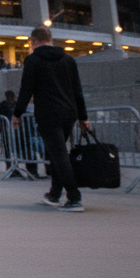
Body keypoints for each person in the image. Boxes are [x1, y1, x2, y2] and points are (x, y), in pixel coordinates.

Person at [12, 25, 91, 213]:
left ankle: (74, 197)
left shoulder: (32, 60)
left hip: (48, 113)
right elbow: (77, 91)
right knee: (57, 154)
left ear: (33, 41)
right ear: (50, 38)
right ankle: (54, 194)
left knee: (59, 155)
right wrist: (83, 117)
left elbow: (26, 89)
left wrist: (17, 114)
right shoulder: (68, 60)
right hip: (69, 113)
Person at [0, 90, 20, 177]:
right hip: (11, 128)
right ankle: (12, 166)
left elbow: (0, 116)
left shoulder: (5, 104)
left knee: (10, 149)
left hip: (9, 128)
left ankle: (11, 166)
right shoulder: (10, 104)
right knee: (12, 149)